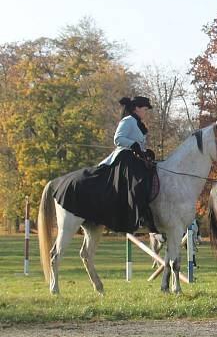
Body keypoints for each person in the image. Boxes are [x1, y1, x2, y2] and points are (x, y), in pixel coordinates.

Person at [52, 96, 156, 234]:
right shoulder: (128, 121)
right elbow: (118, 139)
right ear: (136, 108)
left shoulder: (137, 123)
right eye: (144, 109)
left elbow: (138, 143)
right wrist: (134, 145)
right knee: (137, 183)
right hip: (125, 159)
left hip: (135, 158)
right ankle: (136, 216)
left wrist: (144, 151)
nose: (145, 113)